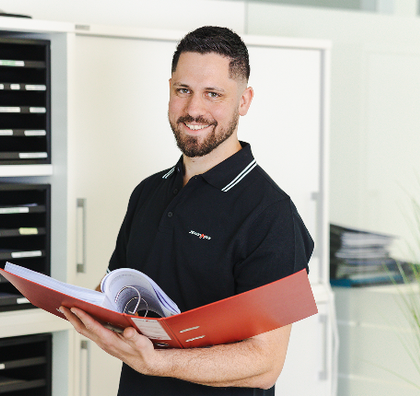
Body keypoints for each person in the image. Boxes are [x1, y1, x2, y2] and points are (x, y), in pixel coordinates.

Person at [60, 26, 314, 396]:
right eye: (184, 91)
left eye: (213, 94)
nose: (194, 109)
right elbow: (113, 292)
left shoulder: (272, 214)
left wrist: (158, 362)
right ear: (170, 91)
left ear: (243, 101)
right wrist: (87, 313)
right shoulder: (148, 192)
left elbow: (265, 364)